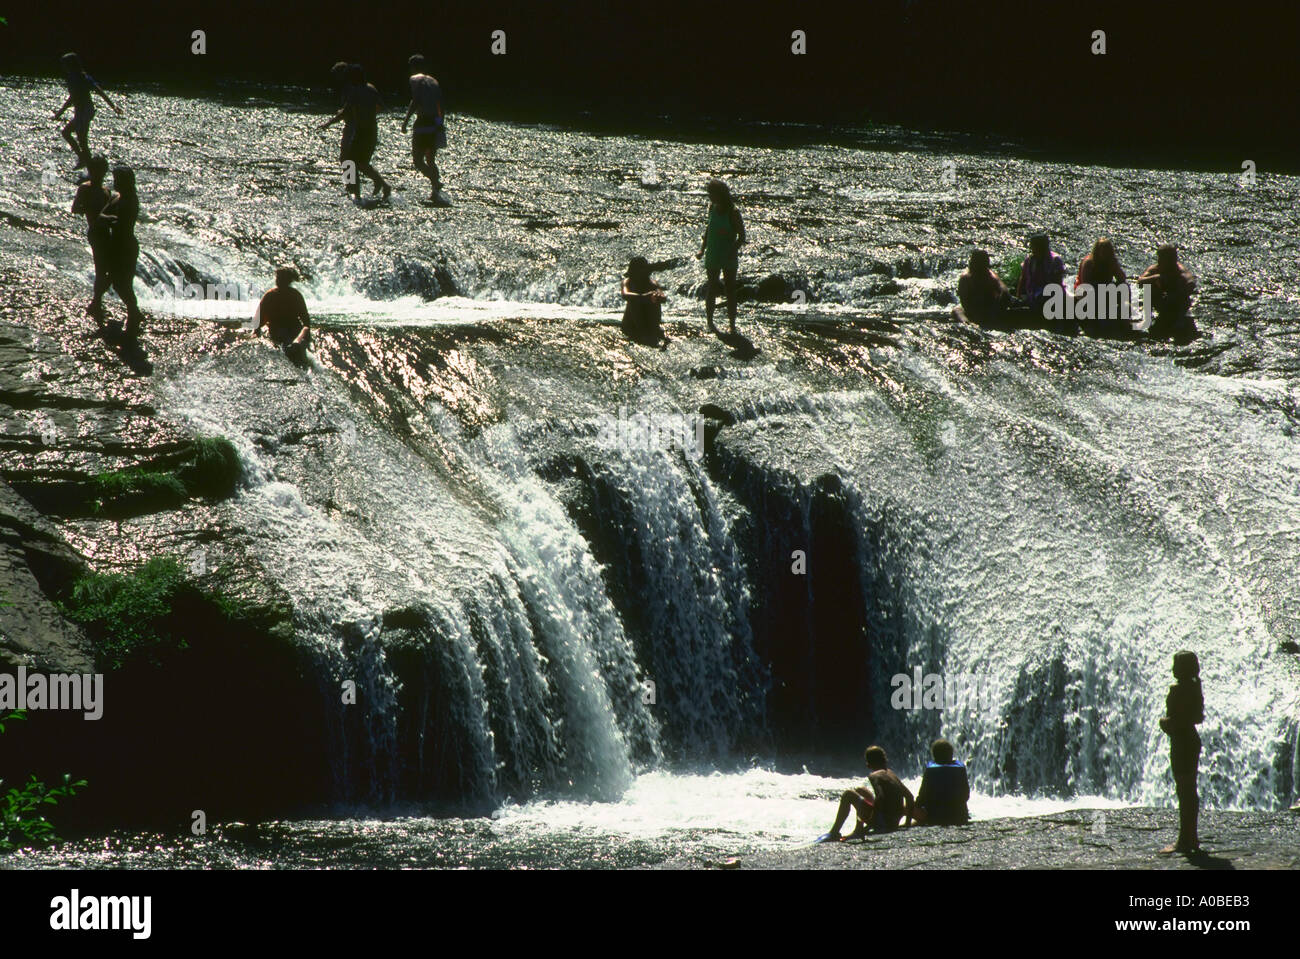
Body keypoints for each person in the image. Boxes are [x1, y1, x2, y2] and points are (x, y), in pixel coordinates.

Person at [322, 63, 390, 201]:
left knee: (349, 161)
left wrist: (328, 123)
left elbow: (346, 111)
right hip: (371, 129)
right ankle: (381, 184)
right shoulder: (371, 88)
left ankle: (356, 193)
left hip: (358, 130)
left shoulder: (355, 91)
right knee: (361, 162)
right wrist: (368, 113)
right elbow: (382, 107)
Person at [1158, 650, 1203, 854]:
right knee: (1189, 790)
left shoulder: (1176, 690)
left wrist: (1164, 722)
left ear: (1181, 669)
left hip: (1181, 742)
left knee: (1183, 790)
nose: (1172, 669)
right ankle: (1191, 837)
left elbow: (1174, 721)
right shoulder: (1196, 687)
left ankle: (1183, 840)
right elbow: (1198, 717)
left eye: (1175, 665)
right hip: (1192, 740)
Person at [821, 745, 914, 842]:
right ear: (885, 760)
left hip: (883, 823)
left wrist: (869, 825)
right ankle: (859, 828)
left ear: (868, 764)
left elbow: (880, 797)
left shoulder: (874, 775)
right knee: (860, 790)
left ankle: (836, 832)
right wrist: (907, 823)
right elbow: (910, 797)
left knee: (848, 794)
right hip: (894, 823)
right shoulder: (891, 774)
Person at [53, 53, 122, 168]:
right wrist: (60, 112)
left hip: (85, 111)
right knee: (67, 133)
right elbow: (77, 96)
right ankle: (83, 159)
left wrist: (113, 106)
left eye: (65, 65)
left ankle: (87, 163)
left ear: (71, 65)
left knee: (81, 138)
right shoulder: (75, 77)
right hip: (81, 111)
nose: (63, 67)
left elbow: (97, 92)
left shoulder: (80, 78)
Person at [696, 179, 745, 335]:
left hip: (728, 255)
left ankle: (732, 324)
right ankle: (710, 322)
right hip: (713, 253)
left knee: (730, 289)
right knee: (712, 287)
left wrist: (733, 250)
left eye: (713, 193)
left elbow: (742, 236)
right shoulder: (712, 208)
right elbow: (709, 229)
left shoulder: (733, 212)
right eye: (709, 193)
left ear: (721, 194)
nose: (710, 197)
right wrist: (702, 250)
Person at [102, 165, 145, 338]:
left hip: (124, 245)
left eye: (118, 180)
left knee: (122, 283)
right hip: (118, 244)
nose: (115, 182)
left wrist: (108, 218)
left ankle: (134, 312)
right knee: (119, 282)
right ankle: (134, 312)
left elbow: (113, 219)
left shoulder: (129, 200)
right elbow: (104, 215)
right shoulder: (119, 198)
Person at [71, 155, 114, 319]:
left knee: (110, 270)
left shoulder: (106, 191)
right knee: (101, 270)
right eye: (96, 171)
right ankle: (96, 302)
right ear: (91, 171)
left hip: (108, 233)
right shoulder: (85, 188)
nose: (99, 174)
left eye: (102, 171)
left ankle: (97, 301)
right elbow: (75, 208)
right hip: (96, 232)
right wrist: (92, 210)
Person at [401, 55, 446, 203]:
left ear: (412, 67)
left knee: (418, 161)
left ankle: (435, 181)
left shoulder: (414, 79)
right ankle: (435, 193)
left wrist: (406, 122)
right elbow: (441, 105)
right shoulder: (434, 81)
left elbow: (416, 101)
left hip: (422, 123)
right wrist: (440, 123)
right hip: (434, 123)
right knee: (431, 160)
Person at [1137, 245, 1197, 341]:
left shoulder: (1179, 270)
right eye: (1161, 259)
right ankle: (1147, 317)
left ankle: (1179, 321)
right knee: (1147, 288)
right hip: (1161, 301)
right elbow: (1140, 281)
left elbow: (1191, 281)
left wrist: (1178, 290)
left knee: (1181, 287)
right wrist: (1157, 277)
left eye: (1169, 259)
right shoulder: (1155, 269)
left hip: (1176, 301)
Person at [254, 268, 312, 362]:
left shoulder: (271, 295)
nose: (277, 280)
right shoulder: (295, 295)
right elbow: (306, 321)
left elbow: (257, 322)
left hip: (282, 331)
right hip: (287, 330)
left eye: (279, 278)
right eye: (277, 278)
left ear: (286, 280)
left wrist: (256, 334)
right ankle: (296, 346)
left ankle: (295, 345)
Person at [912, 738, 971, 826]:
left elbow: (922, 796)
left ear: (934, 756)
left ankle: (911, 824)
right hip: (959, 815)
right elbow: (966, 795)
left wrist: (916, 806)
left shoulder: (930, 770)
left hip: (935, 817)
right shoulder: (960, 769)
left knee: (907, 806)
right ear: (951, 755)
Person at [1075, 238, 1129, 332]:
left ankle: (1124, 318)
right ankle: (1090, 321)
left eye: (1107, 250)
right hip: (1086, 291)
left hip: (1104, 289)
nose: (1105, 253)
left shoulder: (1111, 262)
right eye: (1103, 250)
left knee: (1124, 287)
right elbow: (1085, 284)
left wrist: (1115, 266)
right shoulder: (1089, 263)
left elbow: (1122, 279)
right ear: (1097, 251)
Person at [1016, 234, 1067, 320]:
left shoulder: (1055, 260)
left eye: (1035, 247)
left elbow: (1057, 282)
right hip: (1032, 293)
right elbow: (1023, 278)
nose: (1033, 249)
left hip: (1050, 294)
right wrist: (1019, 296)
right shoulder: (1029, 260)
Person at [621, 256, 668, 347]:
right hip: (632, 322)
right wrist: (643, 297)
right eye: (638, 269)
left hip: (648, 319)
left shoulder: (652, 283)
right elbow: (625, 295)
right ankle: (643, 333)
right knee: (633, 301)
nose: (641, 272)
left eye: (643, 269)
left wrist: (657, 296)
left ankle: (653, 329)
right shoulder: (627, 281)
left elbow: (663, 297)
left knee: (655, 299)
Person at [954, 249, 1010, 323]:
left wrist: (999, 305)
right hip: (973, 307)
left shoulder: (990, 275)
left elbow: (1004, 290)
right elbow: (964, 301)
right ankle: (966, 323)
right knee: (957, 310)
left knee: (957, 310)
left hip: (990, 306)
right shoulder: (966, 277)